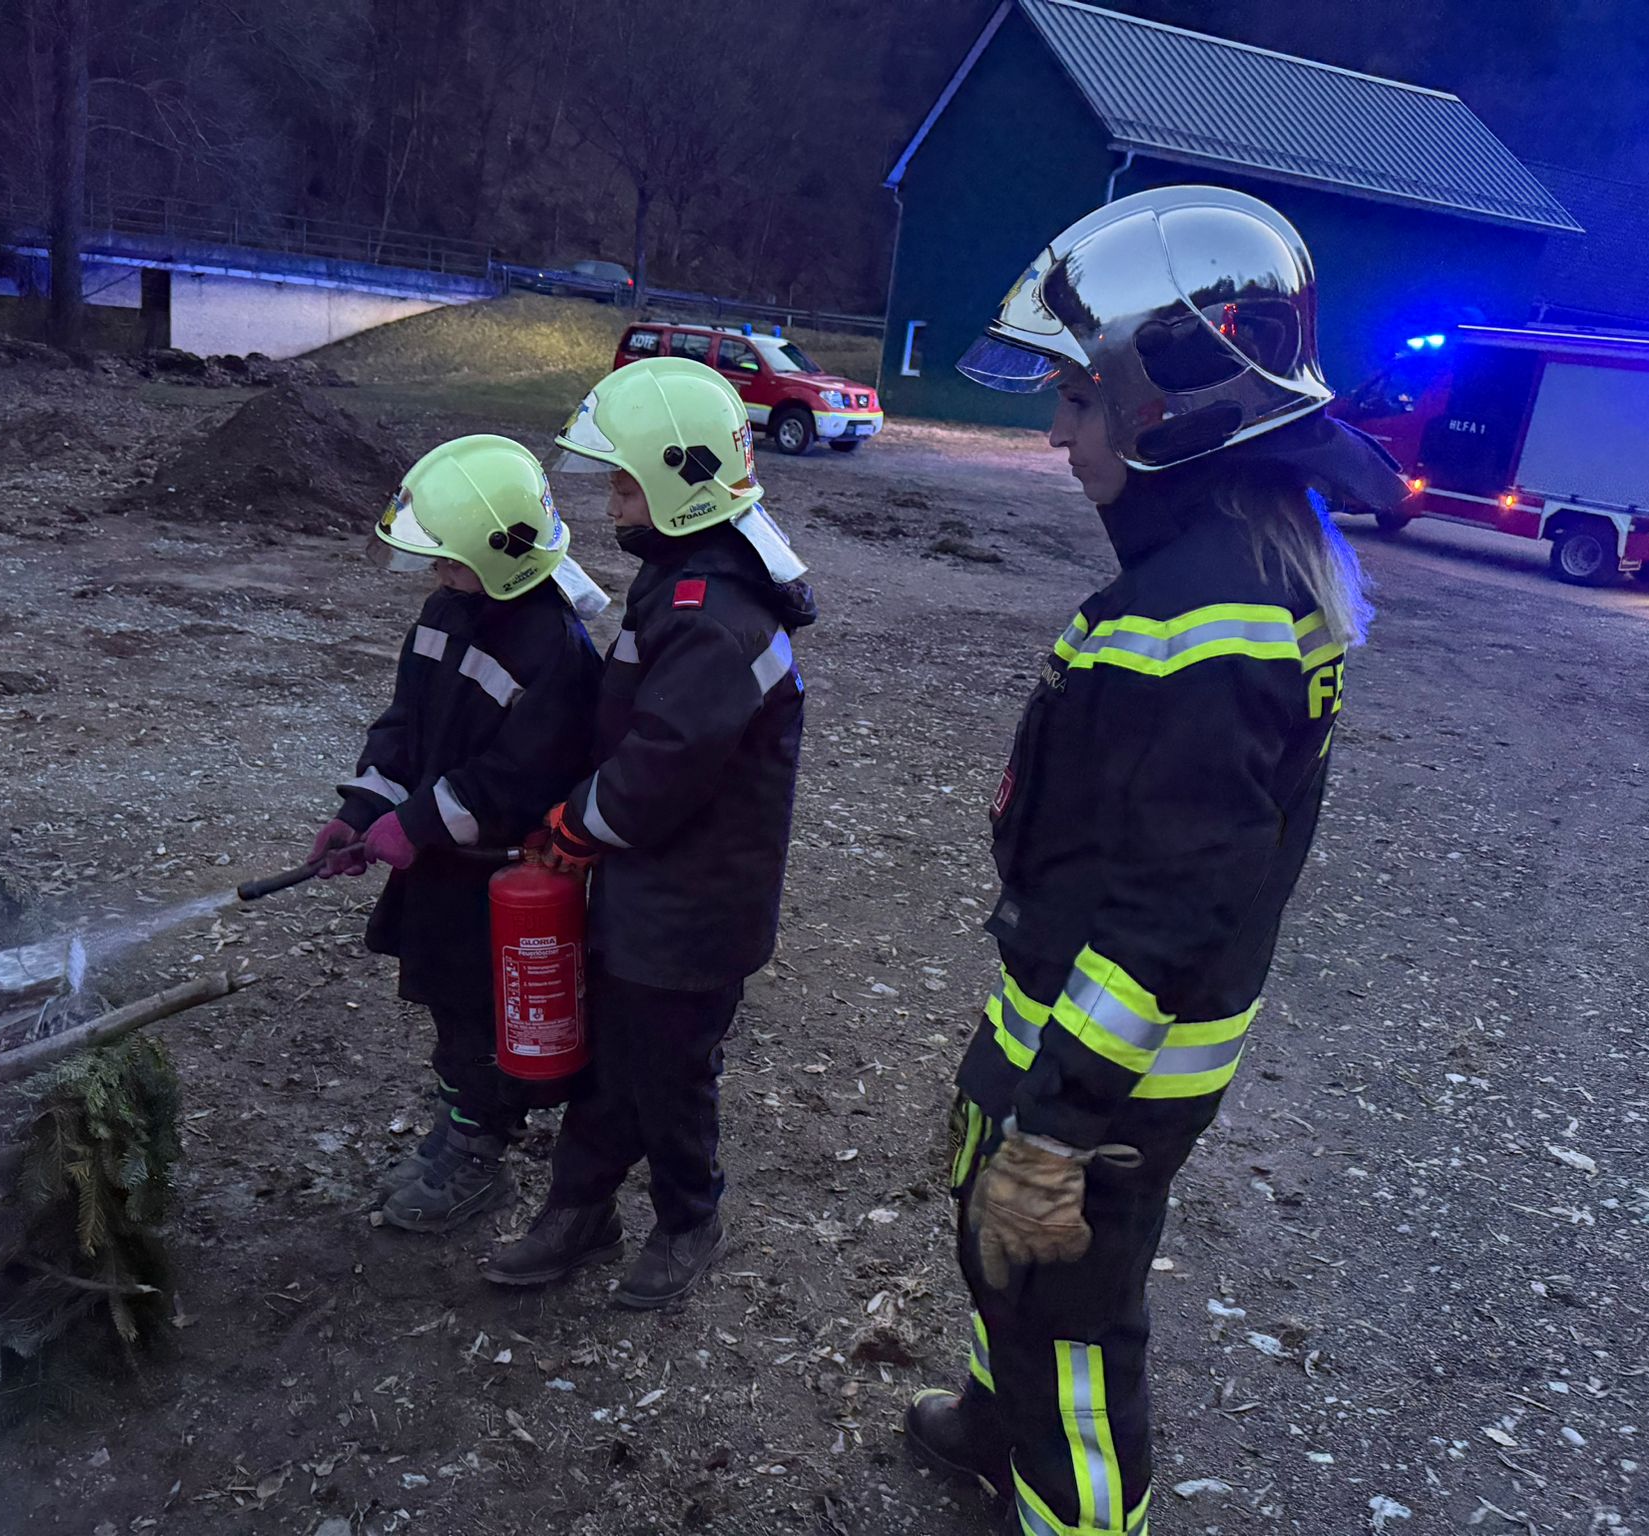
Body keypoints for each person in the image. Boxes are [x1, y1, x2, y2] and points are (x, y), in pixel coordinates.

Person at [906, 186, 1405, 1534]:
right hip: (1077, 1025)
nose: (1058, 434)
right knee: (1000, 1248)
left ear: (1170, 406)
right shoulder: (1227, 571)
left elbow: (1166, 914)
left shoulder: (1206, 623)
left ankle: (1072, 1508)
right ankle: (986, 1423)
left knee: (1064, 1306)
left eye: (1079, 399)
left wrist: (1062, 1125)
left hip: (1112, 1063)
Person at [481, 357, 815, 1309]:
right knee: (611, 1057)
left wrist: (570, 826)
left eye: (625, 482)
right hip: (654, 893)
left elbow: (660, 766)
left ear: (677, 483)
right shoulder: (683, 581)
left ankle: (689, 1217)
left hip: (696, 907)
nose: (612, 500)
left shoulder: (714, 618)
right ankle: (581, 1207)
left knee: (669, 1075)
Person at [308, 434, 604, 1234]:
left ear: (501, 552)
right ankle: (463, 1124)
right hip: (439, 869)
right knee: (446, 1004)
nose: (435, 571)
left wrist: (420, 822)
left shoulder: (558, 653)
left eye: (448, 557)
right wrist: (364, 810)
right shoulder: (445, 614)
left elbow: (516, 779)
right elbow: (406, 726)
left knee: (482, 1013)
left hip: (498, 883)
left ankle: (478, 1152)